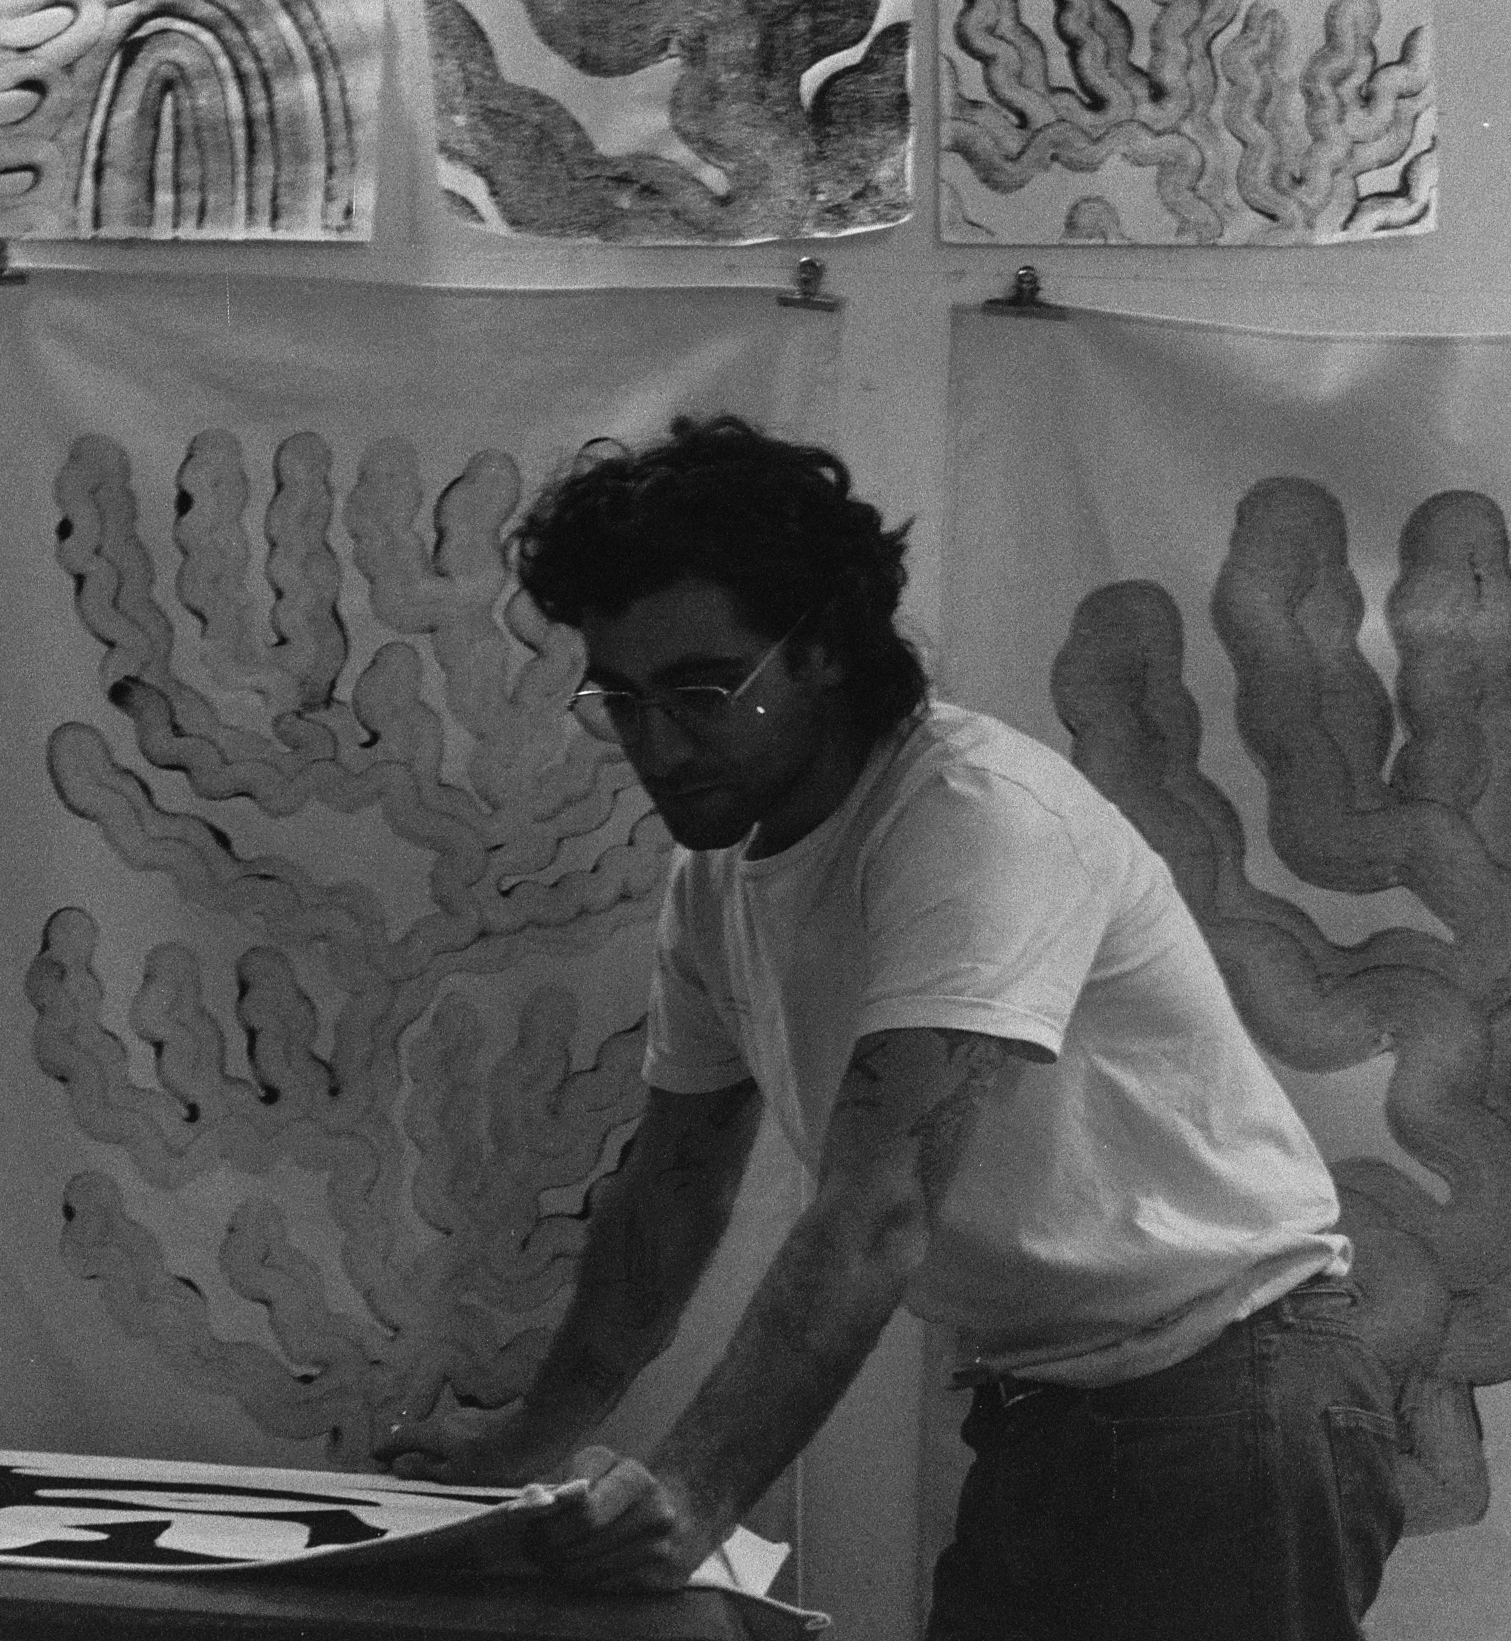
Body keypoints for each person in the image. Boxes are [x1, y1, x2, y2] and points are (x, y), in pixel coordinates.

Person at [376, 416, 1407, 1637]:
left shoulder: (972, 817)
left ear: (823, 649)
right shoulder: (716, 877)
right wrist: (527, 1440)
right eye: (624, 698)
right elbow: (673, 1188)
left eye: (702, 691)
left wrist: (696, 1489)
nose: (657, 744)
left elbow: (879, 1207)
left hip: (1233, 1386)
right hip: (1051, 1406)